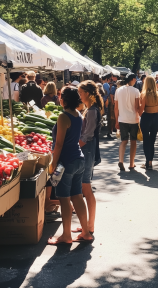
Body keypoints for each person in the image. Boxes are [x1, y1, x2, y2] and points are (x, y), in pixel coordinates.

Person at [47, 87, 92, 245]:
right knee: (78, 196)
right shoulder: (78, 115)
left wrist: (53, 163)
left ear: (64, 100)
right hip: (79, 159)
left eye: (60, 97)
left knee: (64, 199)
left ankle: (66, 235)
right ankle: (85, 232)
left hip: (64, 163)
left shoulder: (63, 117)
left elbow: (59, 144)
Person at [73, 81, 104, 236]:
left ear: (87, 93)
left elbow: (87, 135)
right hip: (88, 150)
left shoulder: (92, 111)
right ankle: (87, 225)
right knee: (85, 188)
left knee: (86, 188)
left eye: (80, 93)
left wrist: (74, 145)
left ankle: (89, 226)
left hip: (88, 150)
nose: (79, 96)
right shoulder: (89, 109)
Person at [114, 72, 140, 171]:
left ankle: (121, 160)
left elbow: (116, 108)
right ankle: (131, 163)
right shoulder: (136, 91)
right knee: (133, 141)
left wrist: (116, 120)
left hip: (122, 119)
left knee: (124, 140)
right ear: (132, 79)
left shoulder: (118, 90)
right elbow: (137, 107)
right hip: (133, 119)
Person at [139, 76, 158, 169]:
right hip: (155, 117)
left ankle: (147, 162)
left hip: (146, 117)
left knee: (146, 140)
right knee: (152, 141)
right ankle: (150, 162)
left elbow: (140, 111)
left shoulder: (144, 94)